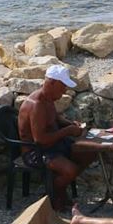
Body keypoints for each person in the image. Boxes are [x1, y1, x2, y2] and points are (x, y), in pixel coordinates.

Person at [18, 65, 96, 210]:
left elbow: (55, 118)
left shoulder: (47, 98)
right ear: (51, 82)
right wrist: (68, 131)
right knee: (70, 170)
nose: (64, 91)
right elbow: (40, 140)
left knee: (89, 153)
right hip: (37, 152)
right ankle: (53, 191)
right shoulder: (36, 105)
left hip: (53, 145)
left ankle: (58, 189)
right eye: (62, 87)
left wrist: (70, 124)